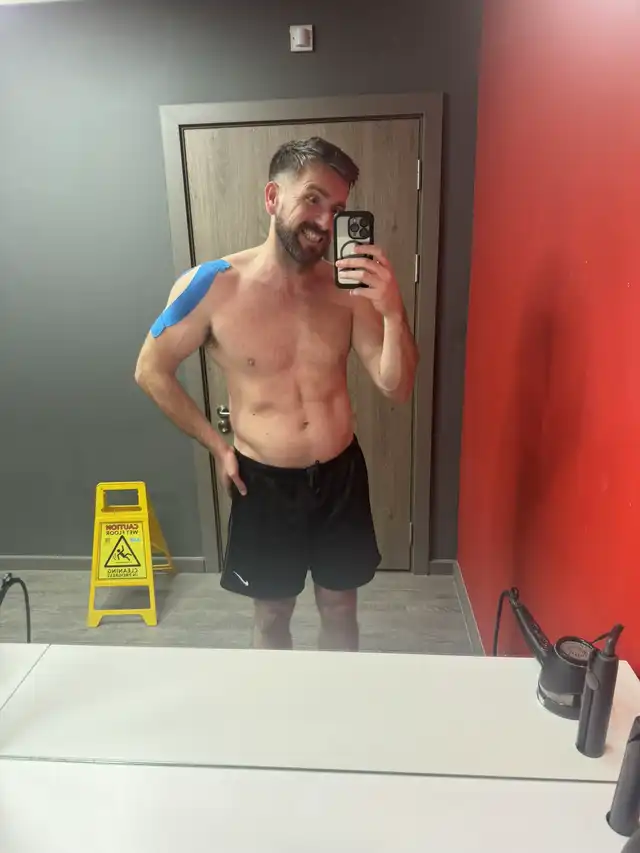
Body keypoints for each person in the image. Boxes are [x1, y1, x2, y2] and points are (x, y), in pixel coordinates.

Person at [134, 137, 418, 651]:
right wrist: (218, 446)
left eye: (338, 208)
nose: (326, 221)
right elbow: (151, 371)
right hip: (263, 484)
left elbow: (395, 386)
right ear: (272, 197)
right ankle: (276, 704)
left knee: (341, 608)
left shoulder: (349, 289)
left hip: (340, 477)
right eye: (312, 199)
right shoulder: (210, 285)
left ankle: (335, 700)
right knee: (271, 615)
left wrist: (394, 311)